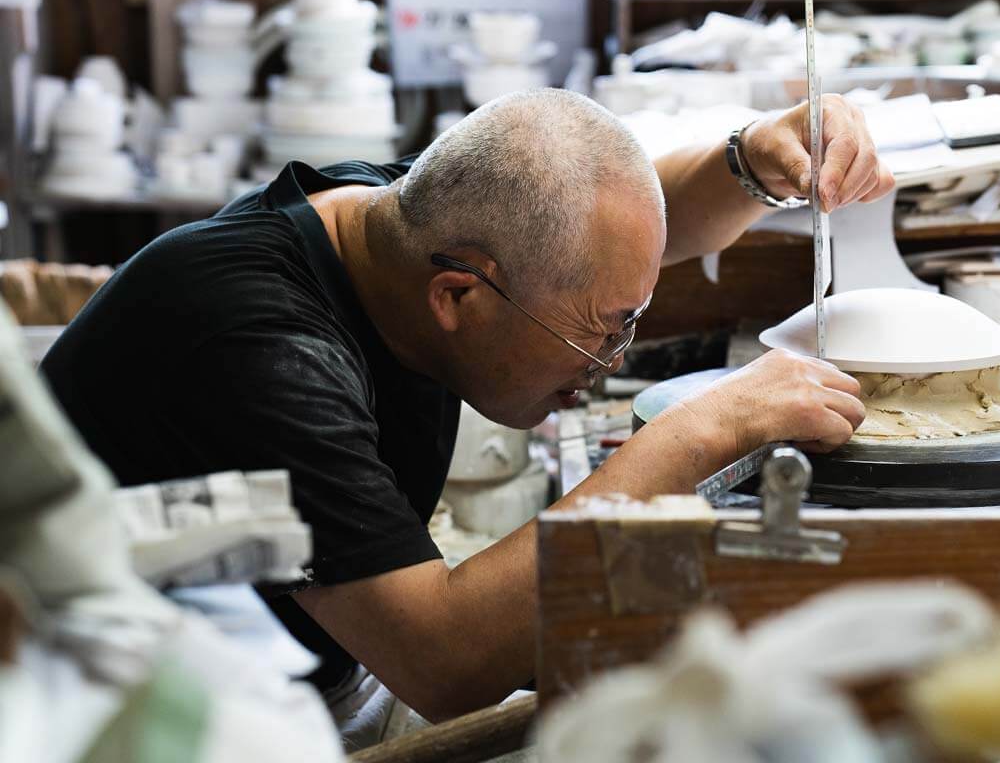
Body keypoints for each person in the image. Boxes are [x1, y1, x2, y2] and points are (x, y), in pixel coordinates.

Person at [42, 88, 894, 737]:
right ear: (459, 295)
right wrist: (706, 427)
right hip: (151, 723)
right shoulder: (261, 355)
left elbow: (621, 231)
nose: (614, 364)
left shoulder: (399, 220)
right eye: (605, 332)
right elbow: (445, 663)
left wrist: (750, 161)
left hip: (302, 653)